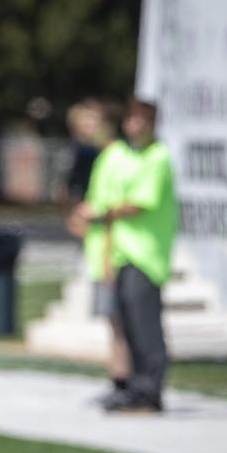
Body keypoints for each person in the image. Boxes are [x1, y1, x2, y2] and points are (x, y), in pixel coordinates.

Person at [75, 98, 177, 413]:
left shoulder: (157, 157)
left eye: (141, 120)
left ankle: (150, 391)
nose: (135, 126)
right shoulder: (126, 156)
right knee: (129, 325)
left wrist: (100, 213)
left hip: (147, 255)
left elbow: (137, 203)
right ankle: (135, 387)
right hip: (123, 253)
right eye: (131, 120)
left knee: (146, 326)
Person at [66, 102, 131, 399]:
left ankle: (127, 382)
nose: (89, 130)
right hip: (102, 250)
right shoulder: (100, 156)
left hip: (115, 252)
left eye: (94, 122)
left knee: (121, 322)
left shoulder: (116, 156)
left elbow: (115, 207)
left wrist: (92, 218)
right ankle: (120, 381)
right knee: (113, 322)